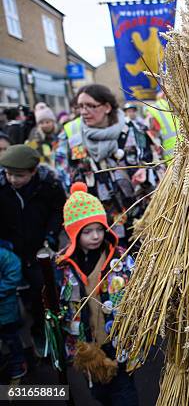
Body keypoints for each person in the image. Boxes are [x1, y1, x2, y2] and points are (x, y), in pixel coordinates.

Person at [56, 182, 138, 405]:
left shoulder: (120, 259)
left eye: (100, 229)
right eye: (87, 231)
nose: (95, 236)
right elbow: (60, 305)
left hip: (118, 340)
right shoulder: (64, 267)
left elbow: (136, 290)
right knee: (100, 393)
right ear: (73, 234)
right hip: (89, 345)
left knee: (124, 393)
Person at [0, 145, 66, 355]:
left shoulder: (50, 186)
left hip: (40, 248)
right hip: (10, 250)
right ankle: (14, 339)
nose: (12, 179)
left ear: (33, 171)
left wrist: (51, 235)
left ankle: (42, 330)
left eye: (19, 175)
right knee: (13, 293)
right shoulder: (2, 187)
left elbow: (58, 210)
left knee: (43, 291)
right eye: (8, 174)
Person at [63, 84, 142, 242]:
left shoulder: (131, 130)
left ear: (107, 107)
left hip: (135, 216)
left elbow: (150, 162)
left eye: (91, 106)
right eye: (80, 106)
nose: (84, 111)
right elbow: (68, 177)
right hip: (95, 225)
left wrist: (144, 172)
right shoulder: (73, 135)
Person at [0, 238, 26, 380]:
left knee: (10, 337)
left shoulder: (4, 254)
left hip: (5, 309)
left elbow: (14, 273)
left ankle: (19, 361)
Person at [146, 92, 177, 161]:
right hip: (188, 148)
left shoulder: (153, 109)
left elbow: (151, 132)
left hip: (170, 154)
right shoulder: (178, 104)